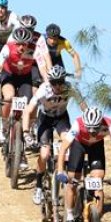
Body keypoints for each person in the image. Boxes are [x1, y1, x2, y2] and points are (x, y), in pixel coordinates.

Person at [55, 107, 111, 222]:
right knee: (72, 181)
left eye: (95, 128)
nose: (92, 131)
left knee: (98, 182)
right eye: (89, 128)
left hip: (96, 147)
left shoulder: (109, 124)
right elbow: (63, 148)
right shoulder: (78, 124)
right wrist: (61, 171)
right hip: (79, 145)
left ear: (100, 123)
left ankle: (96, 221)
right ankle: (70, 216)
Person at [22, 65, 76, 205]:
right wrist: (26, 132)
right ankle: (39, 186)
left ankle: (65, 174)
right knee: (45, 154)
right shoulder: (43, 90)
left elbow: (84, 106)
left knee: (67, 142)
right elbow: (28, 110)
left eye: (61, 82)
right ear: (49, 82)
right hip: (45, 119)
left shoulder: (69, 88)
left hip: (61, 119)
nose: (58, 86)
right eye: (54, 82)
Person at [0, 27, 42, 151]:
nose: (21, 47)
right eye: (18, 44)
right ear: (14, 42)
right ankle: (4, 127)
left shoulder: (34, 51)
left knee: (30, 103)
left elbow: (43, 69)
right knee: (9, 97)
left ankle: (30, 129)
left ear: (29, 43)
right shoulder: (8, 48)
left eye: (24, 44)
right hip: (9, 75)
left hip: (25, 78)